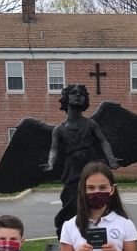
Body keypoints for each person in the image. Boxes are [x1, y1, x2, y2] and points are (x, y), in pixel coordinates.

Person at [46, 84, 119, 238]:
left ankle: (93, 233)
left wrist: (111, 159)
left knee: (93, 200)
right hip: (72, 169)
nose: (78, 95)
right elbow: (54, 149)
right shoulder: (59, 130)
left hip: (89, 164)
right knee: (70, 202)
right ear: (66, 99)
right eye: (73, 93)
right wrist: (51, 162)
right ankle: (66, 234)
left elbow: (103, 141)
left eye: (81, 93)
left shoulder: (91, 124)